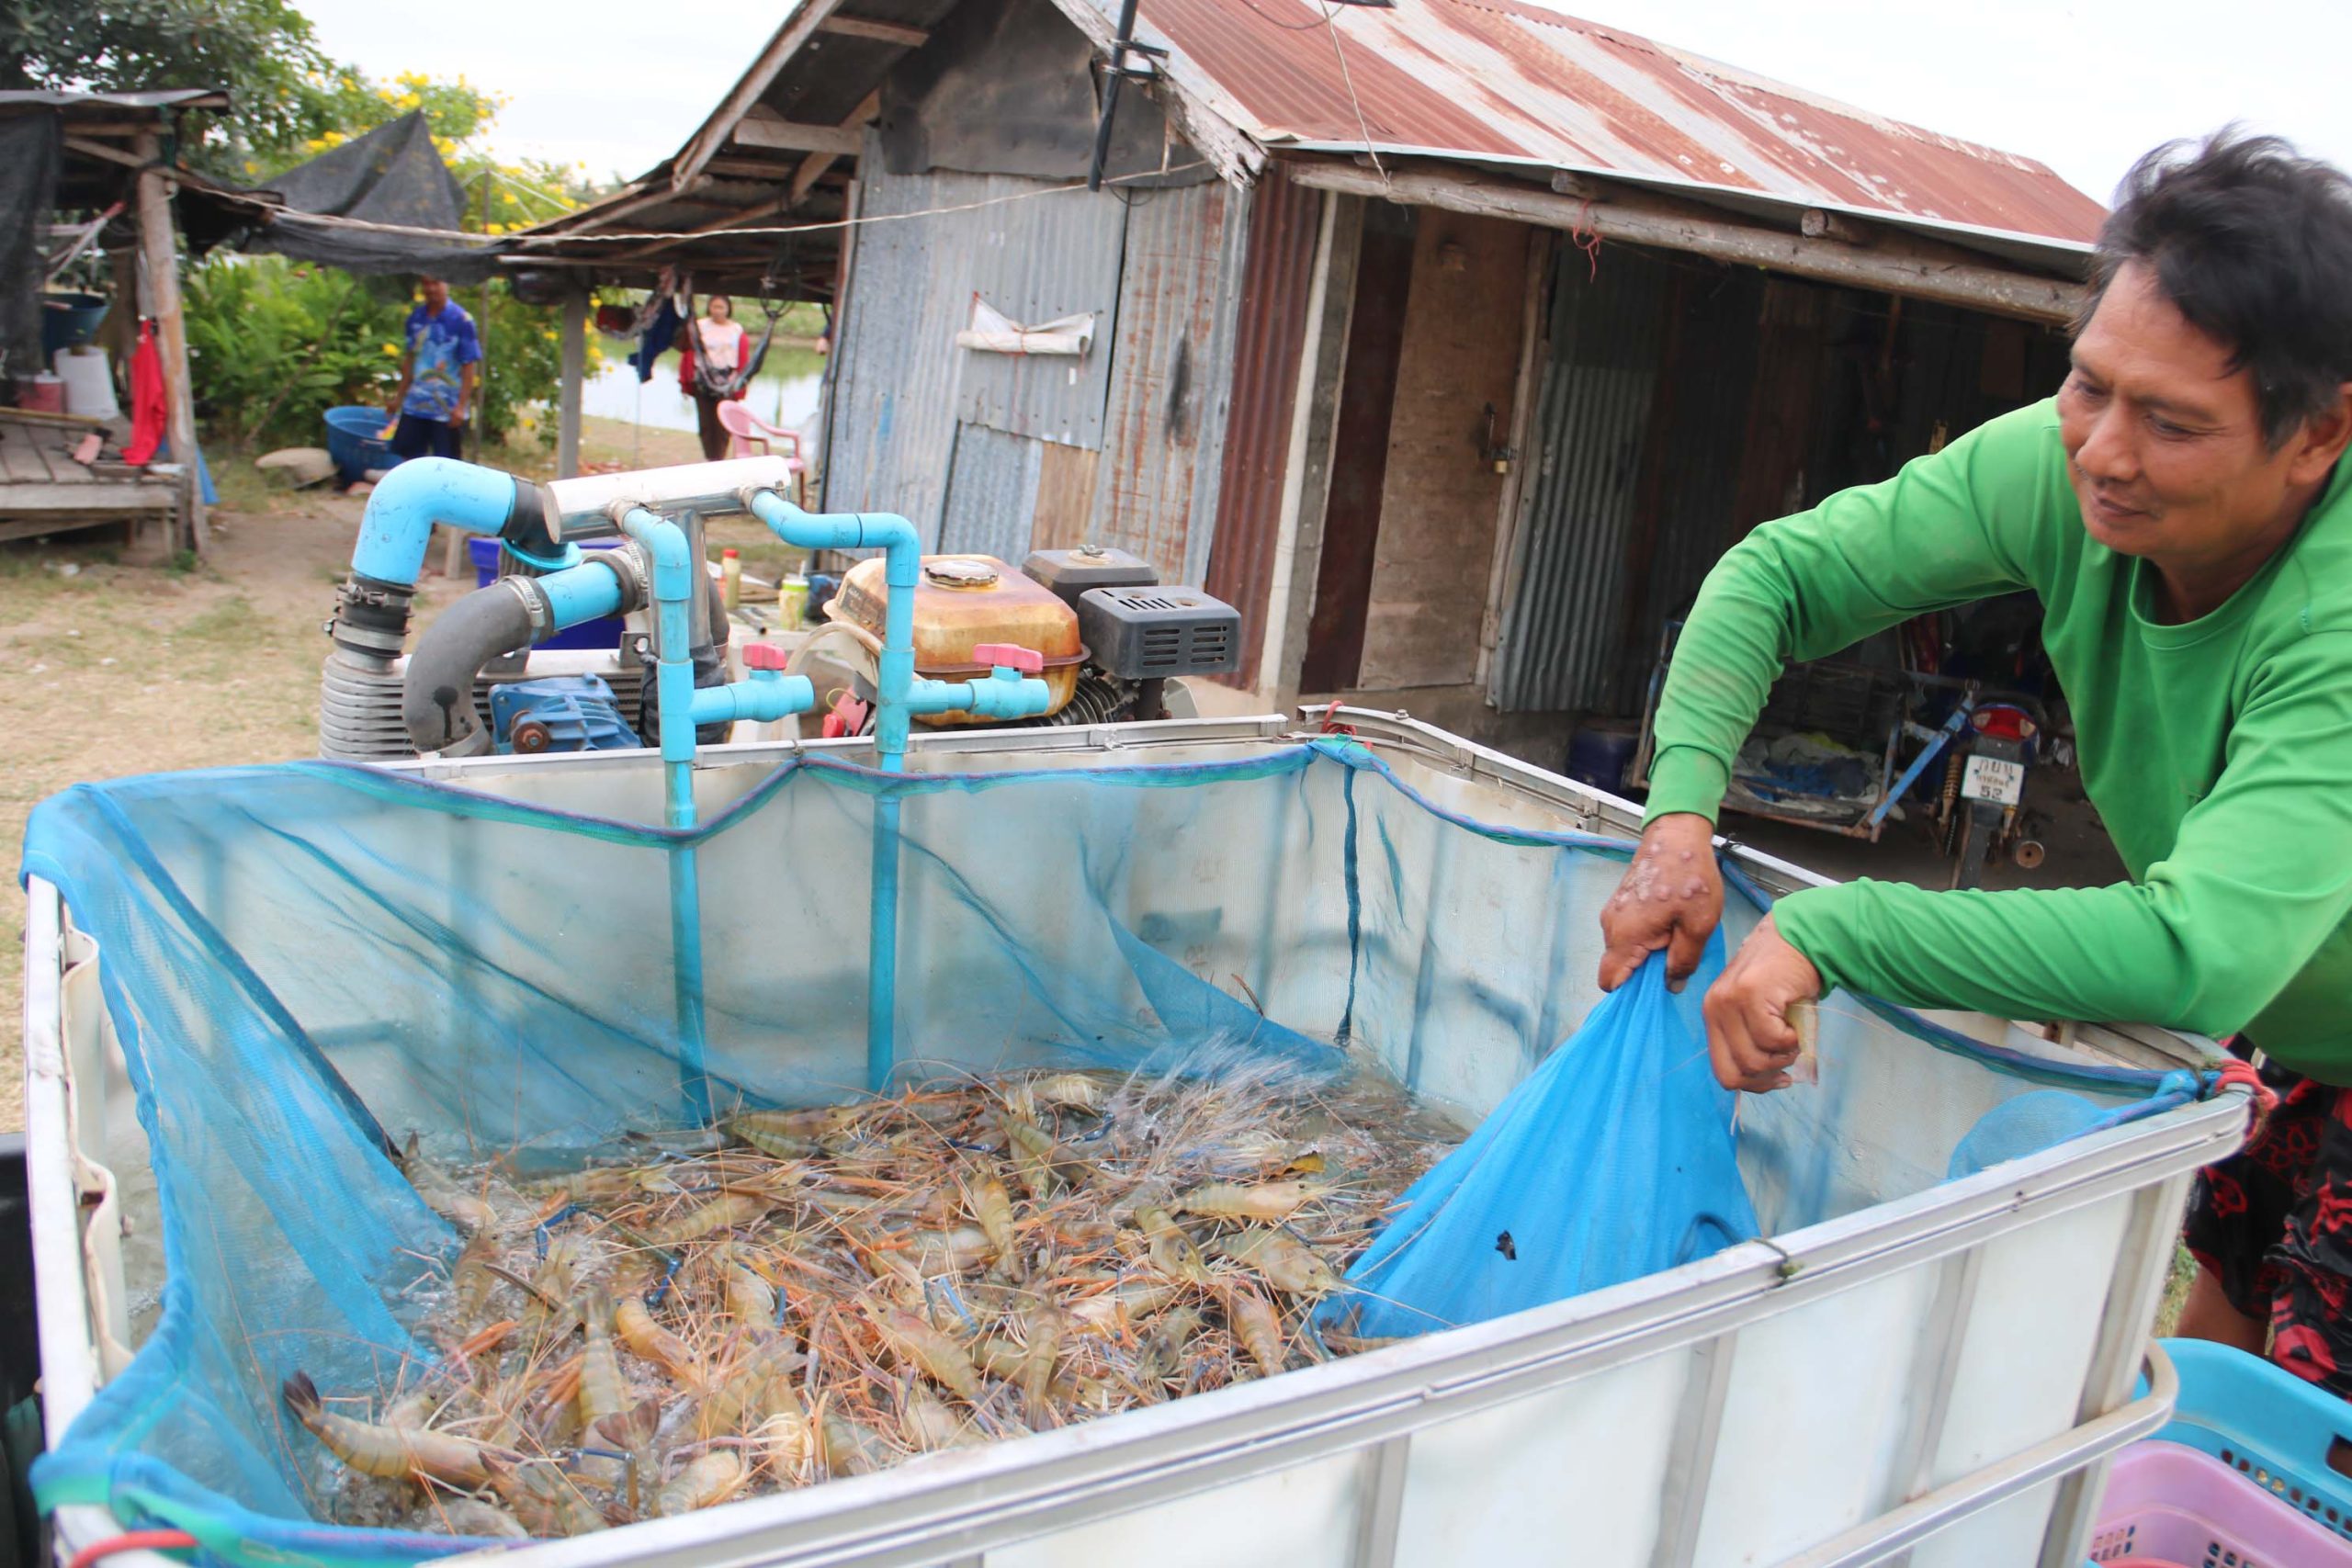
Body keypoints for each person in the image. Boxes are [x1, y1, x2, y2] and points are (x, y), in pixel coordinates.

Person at [1597, 131, 2352, 1393]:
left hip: (2292, 985)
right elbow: (1779, 574)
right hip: (2308, 1032)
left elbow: (2199, 950)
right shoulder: (2062, 468)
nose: (2105, 450)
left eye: (2172, 422)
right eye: (2089, 384)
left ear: (2320, 433)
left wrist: (1843, 930)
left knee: (2291, 1438)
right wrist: (1677, 815)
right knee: (2202, 1333)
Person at [381, 275, 482, 460]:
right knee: (408, 458)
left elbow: (469, 366)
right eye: (426, 283)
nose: (431, 288)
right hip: (416, 404)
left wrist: (461, 406)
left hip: (446, 408)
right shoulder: (416, 318)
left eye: (435, 283)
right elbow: (410, 360)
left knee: (446, 463)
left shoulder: (462, 320)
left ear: (446, 284)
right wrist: (398, 398)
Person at [685, 294, 748, 461]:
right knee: (706, 423)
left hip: (727, 381)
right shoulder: (700, 326)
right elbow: (689, 353)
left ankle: (719, 457)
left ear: (728, 309)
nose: (718, 311)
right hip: (703, 381)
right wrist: (686, 381)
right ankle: (709, 457)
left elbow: (743, 360)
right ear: (709, 308)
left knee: (723, 425)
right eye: (715, 307)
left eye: (721, 307)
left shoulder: (736, 330)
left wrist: (739, 387)